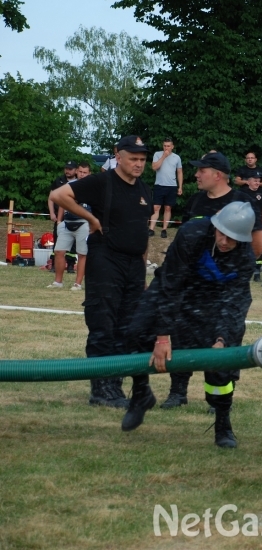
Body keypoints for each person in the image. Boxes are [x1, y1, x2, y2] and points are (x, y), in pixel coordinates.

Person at [122, 202, 256, 448]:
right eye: (222, 234)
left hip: (214, 301)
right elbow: (171, 285)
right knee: (136, 332)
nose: (225, 242)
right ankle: (141, 395)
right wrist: (163, 336)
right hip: (174, 286)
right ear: (215, 225)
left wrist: (222, 339)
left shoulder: (245, 258)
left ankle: (222, 423)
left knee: (221, 367)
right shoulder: (191, 233)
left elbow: (234, 304)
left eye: (232, 238)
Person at [49, 135, 153, 409]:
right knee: (103, 323)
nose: (138, 164)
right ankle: (100, 389)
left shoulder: (144, 188)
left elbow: (143, 232)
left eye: (142, 160)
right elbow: (59, 195)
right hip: (106, 259)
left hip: (133, 265)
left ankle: (115, 387)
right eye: (133, 159)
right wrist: (91, 218)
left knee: (127, 327)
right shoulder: (102, 181)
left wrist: (142, 274)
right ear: (118, 156)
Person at [161, 151, 262, 409]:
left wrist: (227, 268)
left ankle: (219, 398)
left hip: (225, 286)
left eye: (202, 170)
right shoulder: (196, 201)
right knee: (182, 335)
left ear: (217, 175)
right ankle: (178, 392)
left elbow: (257, 245)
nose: (196, 174)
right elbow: (184, 241)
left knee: (224, 338)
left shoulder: (242, 201)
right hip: (193, 285)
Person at [47, 165, 92, 291]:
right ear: (77, 172)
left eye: (85, 172)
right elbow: (62, 202)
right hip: (67, 222)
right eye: (81, 172)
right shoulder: (70, 185)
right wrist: (60, 221)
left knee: (82, 254)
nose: (82, 174)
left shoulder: (94, 187)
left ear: (89, 173)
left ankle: (77, 284)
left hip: (83, 222)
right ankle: (58, 281)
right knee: (59, 251)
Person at [236, 170, 262, 281]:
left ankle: (257, 272)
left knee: (259, 249)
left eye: (259, 181)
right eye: (255, 181)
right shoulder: (241, 193)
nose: (257, 183)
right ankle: (244, 271)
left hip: (258, 225)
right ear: (249, 181)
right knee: (243, 247)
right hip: (245, 225)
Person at [148, 138, 183, 238]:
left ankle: (164, 229)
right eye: (164, 146)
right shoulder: (157, 154)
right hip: (159, 184)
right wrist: (163, 156)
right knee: (156, 207)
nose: (166, 148)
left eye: (168, 146)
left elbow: (179, 172)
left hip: (171, 186)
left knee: (168, 208)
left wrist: (180, 186)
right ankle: (151, 229)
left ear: (172, 147)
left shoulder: (177, 157)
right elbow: (154, 168)